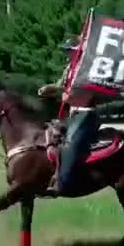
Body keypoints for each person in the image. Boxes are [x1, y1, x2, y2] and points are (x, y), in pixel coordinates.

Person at [38, 37, 101, 196]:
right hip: (73, 113)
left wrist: (68, 97)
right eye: (66, 51)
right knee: (50, 135)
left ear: (79, 51)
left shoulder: (88, 69)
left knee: (70, 145)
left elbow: (88, 94)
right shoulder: (70, 68)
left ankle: (63, 184)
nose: (67, 54)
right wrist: (49, 88)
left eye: (70, 51)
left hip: (86, 114)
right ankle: (51, 175)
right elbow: (61, 86)